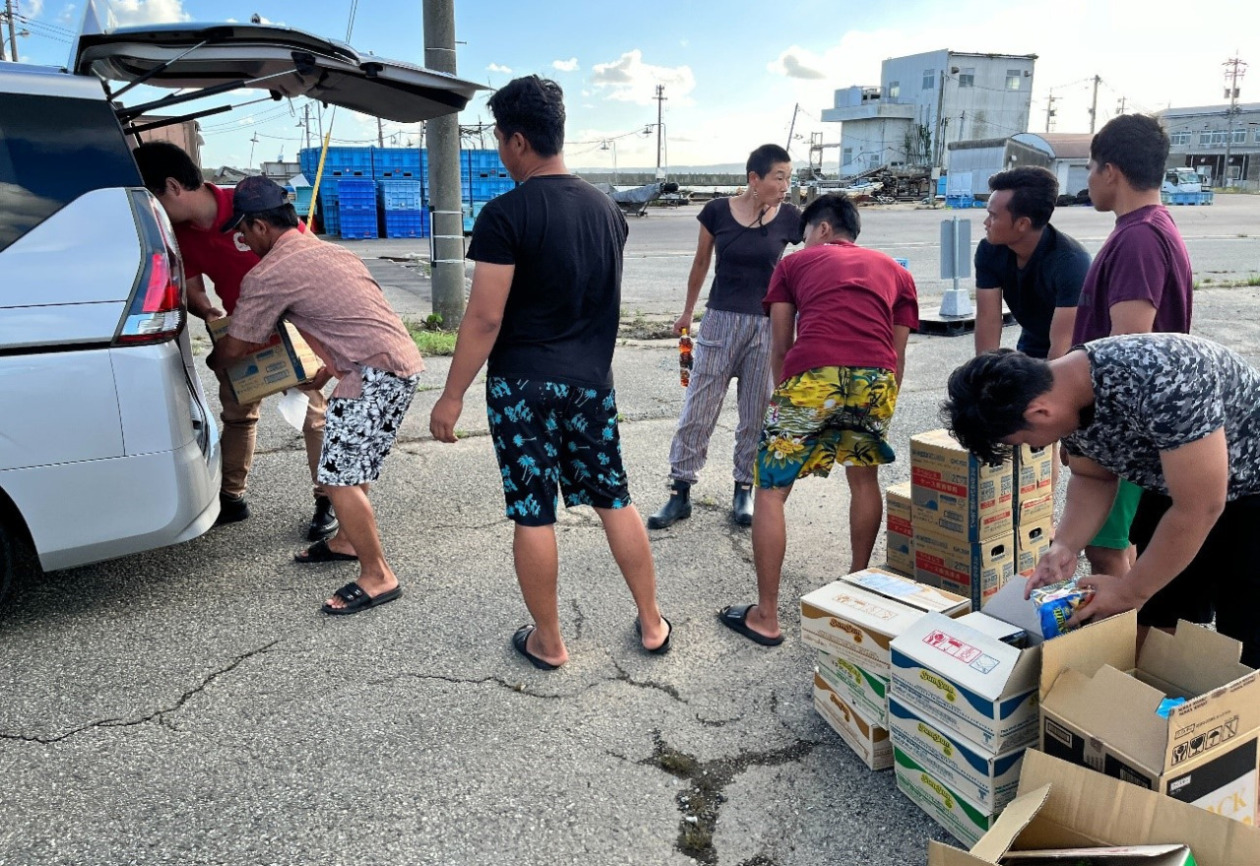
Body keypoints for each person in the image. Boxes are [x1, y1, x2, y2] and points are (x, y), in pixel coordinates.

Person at [429, 75, 670, 670]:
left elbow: (485, 317)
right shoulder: (608, 212)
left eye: (497, 141)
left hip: (522, 387)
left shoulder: (505, 214)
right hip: (591, 381)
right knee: (615, 498)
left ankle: (550, 641)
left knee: (533, 511)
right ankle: (651, 621)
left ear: (515, 142)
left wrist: (450, 395)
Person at [943, 335, 1260, 667]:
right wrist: (1065, 545)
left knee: (1245, 633)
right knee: (1157, 609)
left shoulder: (1163, 380)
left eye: (1024, 441)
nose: (1031, 446)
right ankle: (1156, 703)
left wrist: (1128, 592)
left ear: (1039, 412)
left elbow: (1200, 507)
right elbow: (1093, 477)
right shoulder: (1064, 394)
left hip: (1248, 484)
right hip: (1174, 484)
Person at [206, 176, 423, 616]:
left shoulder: (270, 273)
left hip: (372, 374)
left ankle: (378, 575)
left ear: (260, 226)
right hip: (397, 365)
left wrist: (214, 361)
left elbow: (240, 343)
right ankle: (345, 540)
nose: (242, 241)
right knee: (348, 466)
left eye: (243, 232)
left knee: (338, 479)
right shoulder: (327, 250)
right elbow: (355, 314)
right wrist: (327, 369)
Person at [718, 194, 918, 647]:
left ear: (823, 228)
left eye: (806, 232)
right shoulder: (898, 273)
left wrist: (785, 398)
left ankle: (766, 617)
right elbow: (897, 356)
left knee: (771, 491)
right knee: (863, 479)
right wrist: (878, 405)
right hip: (876, 381)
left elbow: (781, 344)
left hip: (814, 376)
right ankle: (857, 586)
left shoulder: (793, 265)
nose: (803, 240)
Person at [133, 142, 336, 542]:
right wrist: (210, 314)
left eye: (151, 200)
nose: (150, 214)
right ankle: (232, 496)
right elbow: (192, 287)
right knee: (238, 416)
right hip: (240, 333)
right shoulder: (181, 235)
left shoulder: (251, 202)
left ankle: (328, 498)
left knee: (314, 415)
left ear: (172, 186)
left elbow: (310, 257)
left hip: (291, 327)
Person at [647, 144, 801, 530]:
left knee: (756, 412)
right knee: (698, 408)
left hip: (764, 326)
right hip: (718, 321)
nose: (785, 185)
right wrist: (687, 313)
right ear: (754, 178)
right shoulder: (717, 211)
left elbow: (816, 253)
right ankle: (679, 492)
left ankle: (743, 489)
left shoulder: (791, 219)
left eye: (788, 178)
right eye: (778, 177)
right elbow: (701, 262)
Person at [1070, 114, 1193, 580]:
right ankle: (1130, 639)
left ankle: (1120, 648)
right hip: (1142, 426)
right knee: (1122, 546)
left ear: (1111, 172)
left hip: (1126, 428)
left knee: (1106, 551)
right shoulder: (1151, 226)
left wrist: (1092, 431)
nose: (1088, 179)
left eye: (1089, 167)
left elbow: (1129, 352)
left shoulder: (1139, 237)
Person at [974, 166, 1089, 361]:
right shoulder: (990, 250)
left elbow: (1063, 347)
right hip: (1032, 344)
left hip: (1080, 355)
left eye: (993, 216)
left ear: (1022, 224)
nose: (986, 222)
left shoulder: (1071, 264)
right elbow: (988, 320)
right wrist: (982, 379)